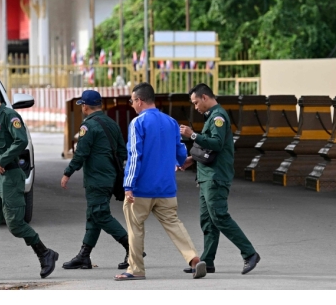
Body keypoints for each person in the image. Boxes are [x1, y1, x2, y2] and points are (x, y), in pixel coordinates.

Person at [0, 83, 59, 280]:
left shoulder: (9, 116)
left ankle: (45, 253)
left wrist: (3, 160)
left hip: (9, 177)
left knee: (15, 225)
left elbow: (21, 140)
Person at [114, 82, 207, 281]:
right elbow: (180, 150)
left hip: (141, 189)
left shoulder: (137, 123)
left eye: (132, 101)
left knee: (135, 227)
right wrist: (183, 162)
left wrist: (128, 185)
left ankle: (136, 269)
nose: (132, 105)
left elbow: (134, 156)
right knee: (174, 224)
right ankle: (194, 259)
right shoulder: (171, 122)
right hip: (166, 188)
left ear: (139, 100)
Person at [179, 83, 260, 275]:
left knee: (219, 216)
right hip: (207, 176)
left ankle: (249, 253)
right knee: (207, 220)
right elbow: (210, 151)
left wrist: (193, 135)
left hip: (216, 177)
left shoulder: (218, 117)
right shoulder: (212, 117)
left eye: (196, 102)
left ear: (205, 97)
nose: (195, 107)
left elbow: (215, 144)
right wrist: (192, 159)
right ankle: (207, 262)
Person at [61, 89, 135, 270]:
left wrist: (68, 172)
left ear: (85, 107)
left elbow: (81, 153)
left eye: (82, 106)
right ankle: (84, 256)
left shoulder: (88, 126)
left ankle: (132, 249)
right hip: (110, 178)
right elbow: (122, 152)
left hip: (96, 179)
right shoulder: (112, 123)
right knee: (93, 215)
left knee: (100, 214)